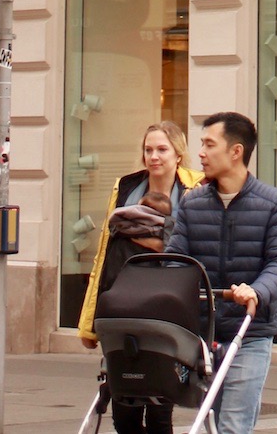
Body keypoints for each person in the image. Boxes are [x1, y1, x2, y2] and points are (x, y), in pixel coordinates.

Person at [166, 112, 277, 434]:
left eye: (210, 144)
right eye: (202, 144)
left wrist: (256, 291)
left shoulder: (272, 203)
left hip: (249, 334)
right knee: (211, 423)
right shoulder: (192, 203)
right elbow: (175, 260)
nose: (201, 153)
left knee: (233, 425)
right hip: (203, 334)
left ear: (236, 151)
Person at [79, 120, 200, 434]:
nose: (154, 156)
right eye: (148, 150)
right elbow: (105, 251)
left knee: (160, 410)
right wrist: (90, 319)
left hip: (167, 310)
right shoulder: (126, 187)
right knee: (124, 410)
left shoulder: (195, 190)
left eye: (162, 149)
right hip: (125, 305)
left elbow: (198, 246)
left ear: (178, 155)